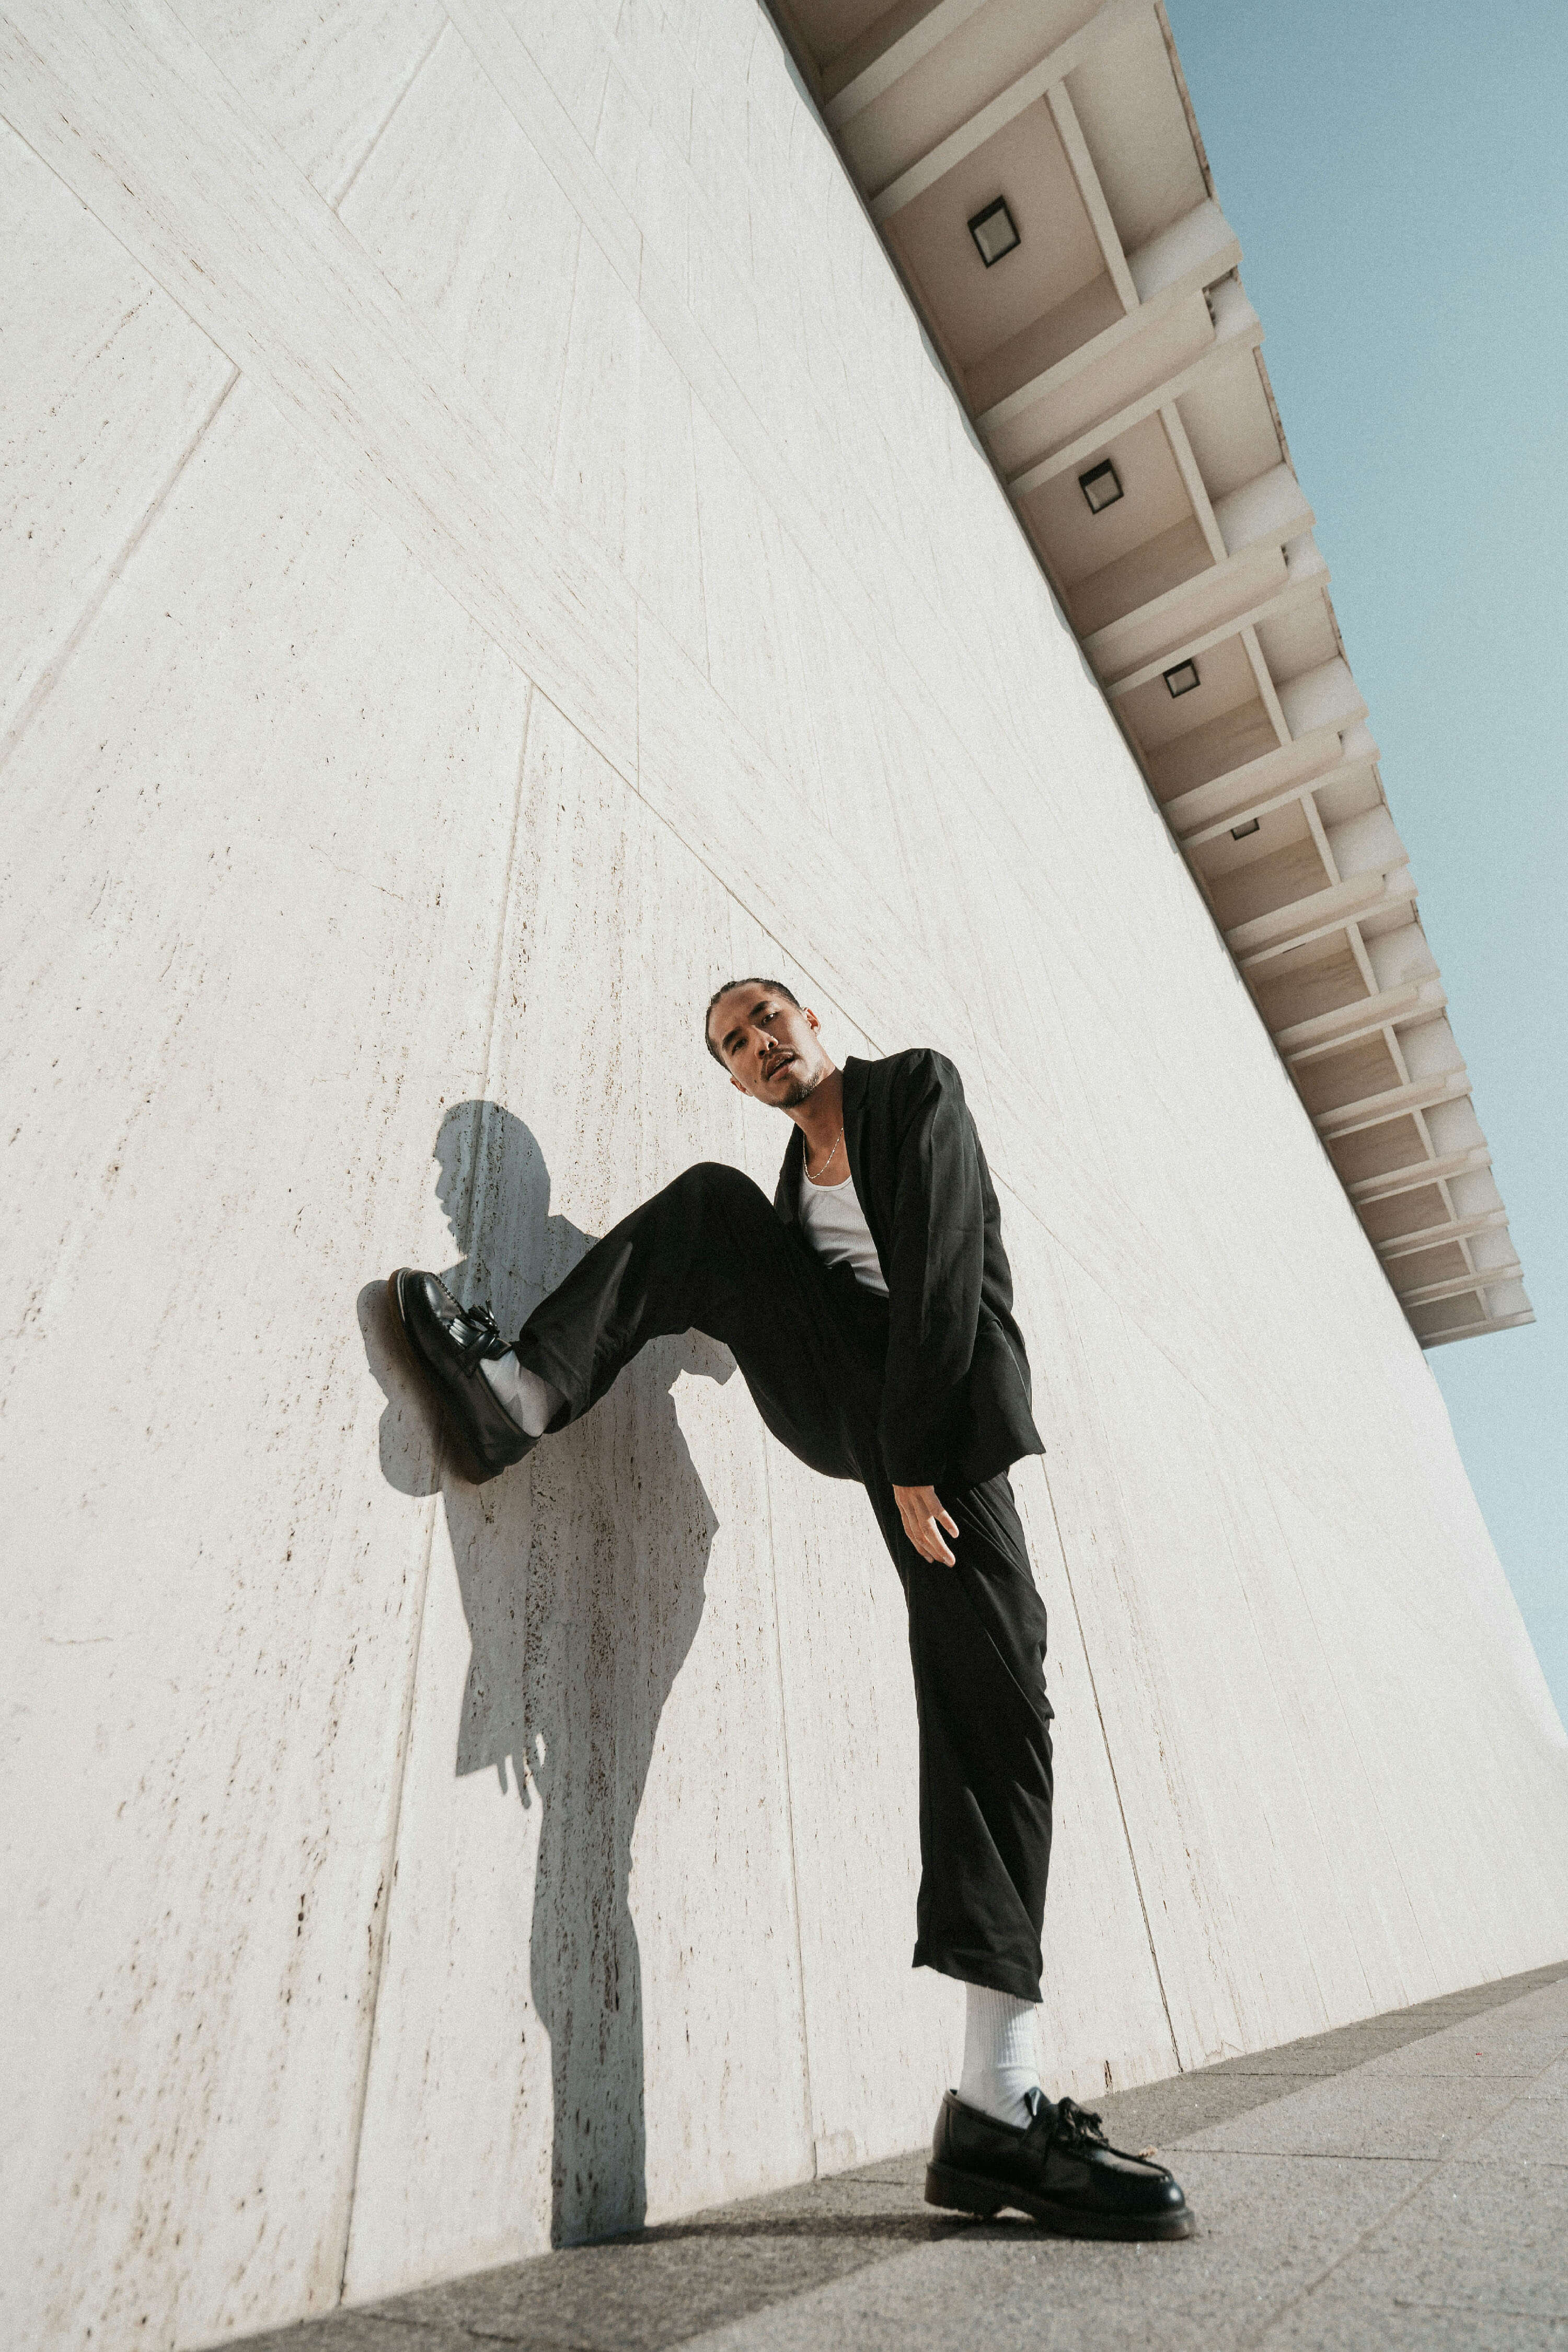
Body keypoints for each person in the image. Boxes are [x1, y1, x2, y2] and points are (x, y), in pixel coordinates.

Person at [390, 978, 1192, 2239]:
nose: (759, 1046)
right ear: (734, 1077)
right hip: (860, 1413)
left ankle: (1000, 2096)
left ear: (811, 1022)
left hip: (941, 1423)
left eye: (766, 1019)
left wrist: (916, 1455)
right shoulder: (781, 1190)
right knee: (712, 1209)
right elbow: (765, 1307)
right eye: (734, 1045)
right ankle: (524, 1394)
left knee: (999, 1700)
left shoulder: (913, 1091)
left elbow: (943, 1269)